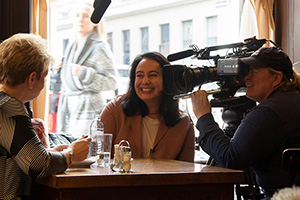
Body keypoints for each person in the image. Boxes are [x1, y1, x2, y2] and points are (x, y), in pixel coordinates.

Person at [190, 46, 300, 197]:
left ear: (276, 78)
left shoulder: (269, 112)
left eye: (254, 71)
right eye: (247, 71)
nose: (246, 77)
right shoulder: (291, 101)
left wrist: (203, 117)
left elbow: (230, 158)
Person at [0, 33, 91, 199]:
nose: (44, 84)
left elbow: (23, 156)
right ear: (32, 78)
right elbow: (37, 164)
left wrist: (51, 153)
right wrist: (71, 154)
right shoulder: (9, 108)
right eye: (45, 76)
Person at [100, 52, 195, 162]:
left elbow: (188, 173)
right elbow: (99, 159)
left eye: (153, 75)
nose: (145, 81)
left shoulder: (184, 123)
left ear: (167, 79)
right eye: (140, 75)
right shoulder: (114, 110)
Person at [56, 2, 118, 137]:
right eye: (77, 15)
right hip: (70, 108)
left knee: (86, 150)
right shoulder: (71, 46)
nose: (80, 19)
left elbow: (112, 82)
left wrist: (85, 73)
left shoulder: (100, 47)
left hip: (89, 109)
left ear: (95, 21)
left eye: (85, 16)